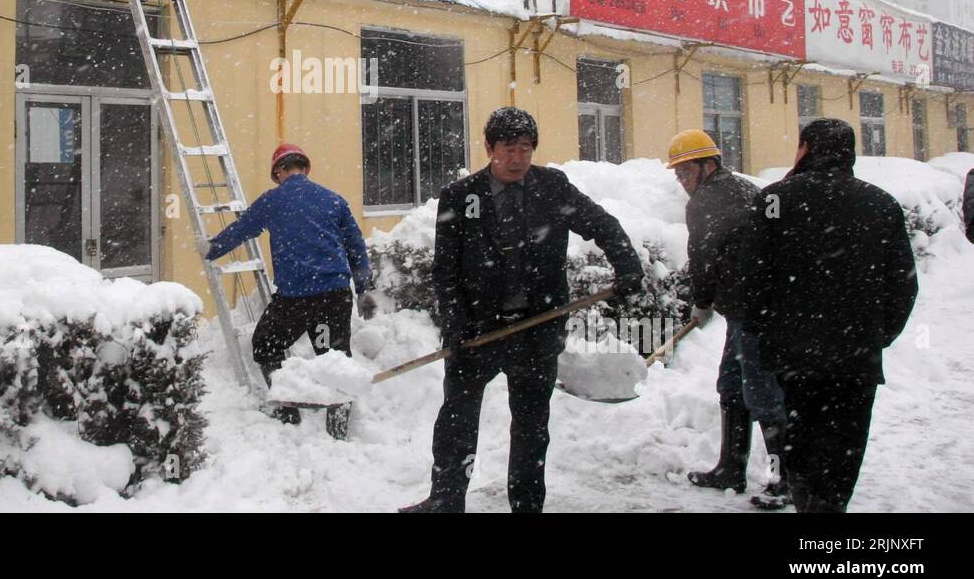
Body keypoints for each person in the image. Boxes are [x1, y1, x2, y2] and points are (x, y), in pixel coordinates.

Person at [401, 107, 643, 513]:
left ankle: (527, 505)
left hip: (537, 327)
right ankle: (446, 499)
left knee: (532, 426)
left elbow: (601, 224)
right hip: (478, 329)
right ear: (489, 148)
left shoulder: (553, 188)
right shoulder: (463, 197)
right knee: (457, 419)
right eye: (508, 149)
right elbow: (445, 270)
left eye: (526, 149)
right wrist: (456, 325)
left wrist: (628, 266)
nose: (517, 158)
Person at [742, 118, 918, 513]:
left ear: (805, 148)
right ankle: (832, 505)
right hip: (856, 357)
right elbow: (903, 284)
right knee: (846, 444)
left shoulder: (774, 200)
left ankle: (807, 501)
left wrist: (762, 328)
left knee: (800, 436)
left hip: (793, 354)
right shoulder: (881, 203)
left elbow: (752, 278)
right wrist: (878, 334)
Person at [203, 143, 377, 436]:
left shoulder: (273, 200)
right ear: (305, 169)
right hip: (334, 294)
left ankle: (287, 410)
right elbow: (356, 247)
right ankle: (337, 431)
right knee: (336, 361)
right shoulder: (333, 200)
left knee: (265, 344)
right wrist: (363, 289)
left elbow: (243, 228)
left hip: (295, 298)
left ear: (279, 172)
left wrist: (212, 248)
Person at [668, 130, 789, 509]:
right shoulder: (745, 188)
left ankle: (783, 479)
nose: (682, 181)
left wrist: (701, 302)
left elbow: (703, 255)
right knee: (733, 385)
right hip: (754, 305)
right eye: (678, 174)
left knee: (763, 396)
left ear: (708, 165)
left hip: (753, 310)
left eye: (686, 171)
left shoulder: (705, 201)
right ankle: (730, 469)